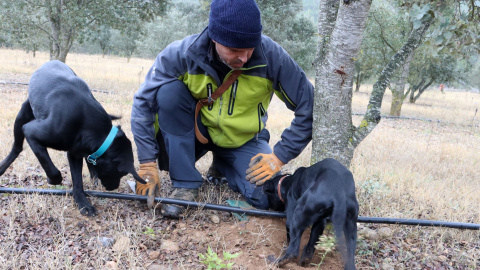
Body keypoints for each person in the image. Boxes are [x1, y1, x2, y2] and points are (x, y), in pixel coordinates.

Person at [131, 0, 313, 218]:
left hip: (242, 140)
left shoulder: (273, 58)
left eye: (250, 49)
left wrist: (279, 156)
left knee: (267, 196)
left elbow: (309, 107)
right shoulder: (181, 54)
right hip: (195, 134)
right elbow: (143, 103)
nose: (244, 58)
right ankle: (185, 183)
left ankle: (224, 165)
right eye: (235, 50)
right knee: (167, 93)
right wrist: (147, 164)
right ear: (214, 37)